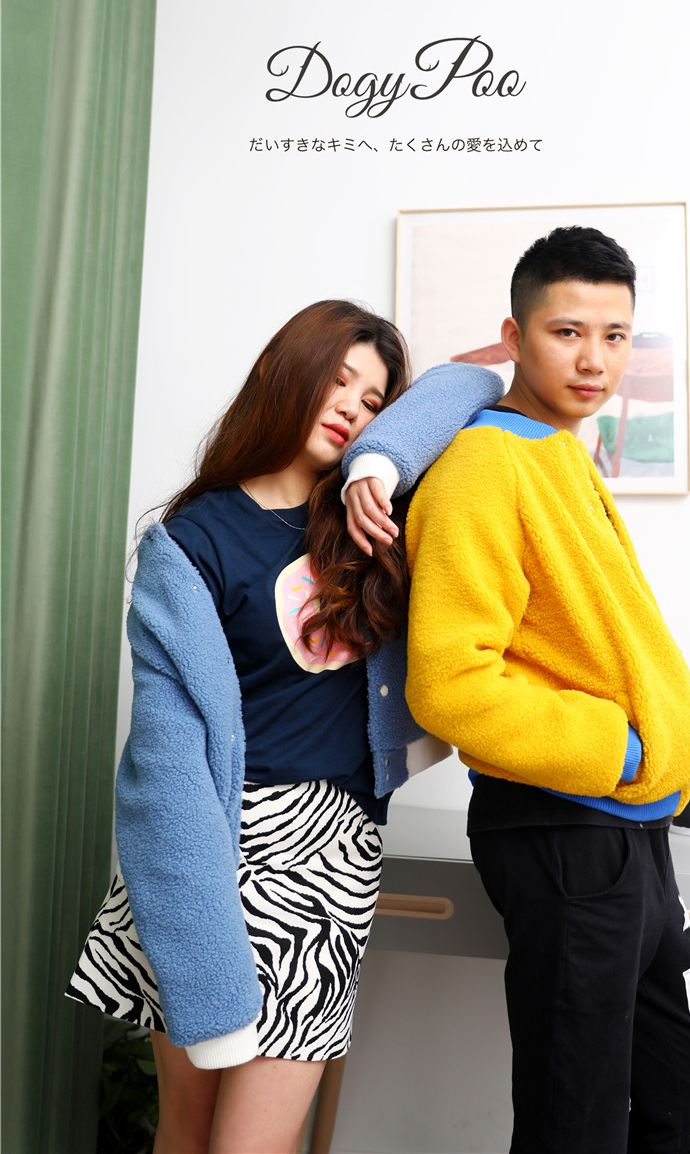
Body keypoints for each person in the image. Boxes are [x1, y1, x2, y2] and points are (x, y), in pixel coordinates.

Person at [66, 299, 503, 1154]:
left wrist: (377, 460)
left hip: (329, 861)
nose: (352, 407)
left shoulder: (371, 517)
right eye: (337, 379)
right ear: (282, 370)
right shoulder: (191, 543)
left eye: (373, 400)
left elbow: (471, 384)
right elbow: (166, 765)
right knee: (187, 1133)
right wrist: (201, 937)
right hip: (201, 856)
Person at [340, 229, 690, 1154]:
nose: (595, 359)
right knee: (575, 1123)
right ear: (513, 336)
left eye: (615, 334)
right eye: (568, 331)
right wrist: (622, 749)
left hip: (627, 827)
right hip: (566, 829)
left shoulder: (556, 453)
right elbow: (451, 683)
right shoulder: (485, 466)